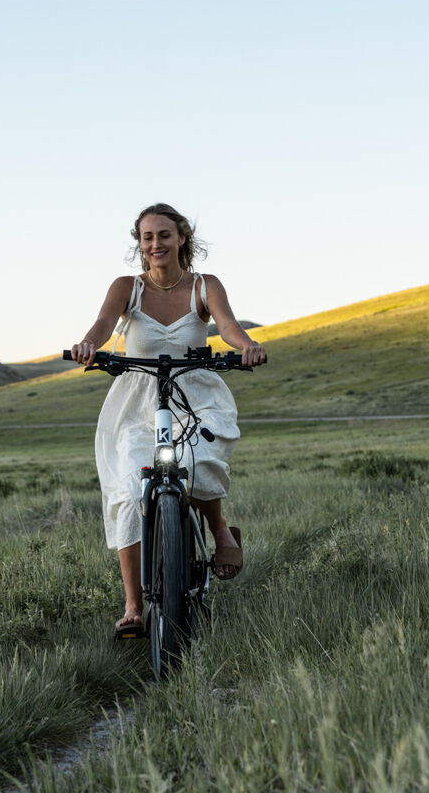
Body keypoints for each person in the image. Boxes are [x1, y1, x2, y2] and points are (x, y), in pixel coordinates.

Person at [70, 203, 267, 637]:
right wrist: (88, 343)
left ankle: (218, 528)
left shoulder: (204, 285)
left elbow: (229, 326)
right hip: (138, 399)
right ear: (140, 244)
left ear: (182, 238)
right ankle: (133, 606)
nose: (155, 244)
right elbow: (103, 324)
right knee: (128, 488)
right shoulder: (127, 287)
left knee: (201, 457)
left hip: (193, 392)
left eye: (164, 235)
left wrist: (248, 345)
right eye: (147, 237)